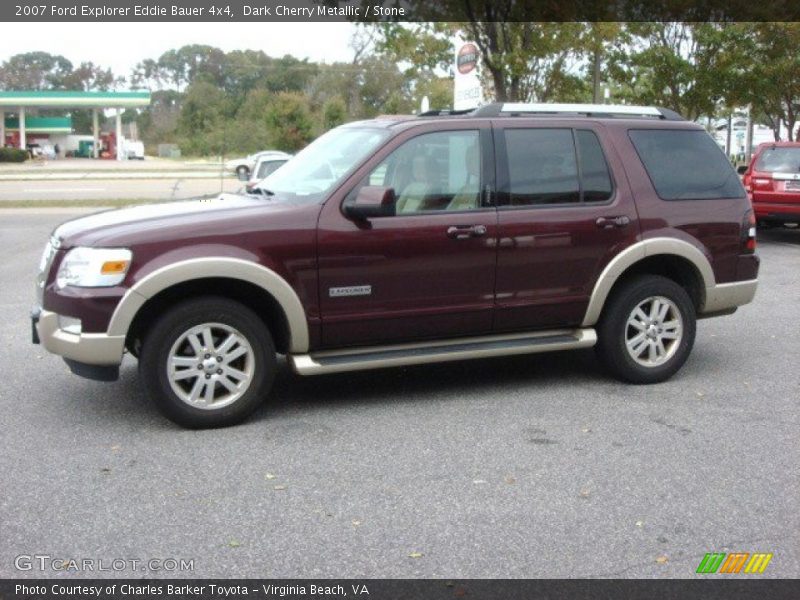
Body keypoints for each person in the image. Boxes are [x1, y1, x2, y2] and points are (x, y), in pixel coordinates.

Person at [446, 143, 480, 210]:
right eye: (467, 159)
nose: (467, 163)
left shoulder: (472, 191)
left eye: (470, 159)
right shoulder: (467, 190)